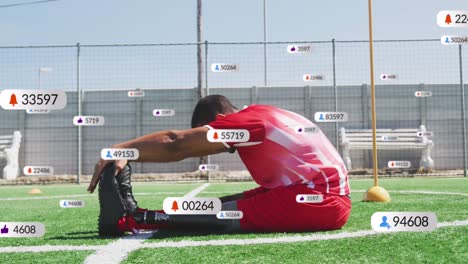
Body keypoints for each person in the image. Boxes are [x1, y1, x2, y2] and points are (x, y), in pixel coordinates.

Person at [87, 95, 351, 236]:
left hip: (318, 200)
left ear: (221, 119)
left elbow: (176, 144)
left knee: (223, 216)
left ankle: (130, 220)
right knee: (224, 204)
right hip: (317, 194)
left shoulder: (242, 124)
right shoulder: (262, 112)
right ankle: (146, 215)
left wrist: (123, 150)